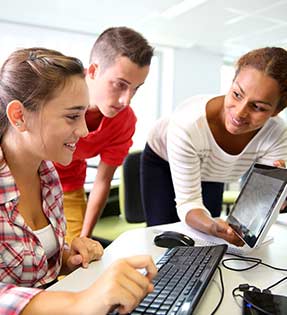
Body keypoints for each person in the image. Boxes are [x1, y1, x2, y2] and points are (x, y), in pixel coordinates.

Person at [0, 47, 157, 315]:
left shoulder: (48, 175)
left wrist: (66, 259)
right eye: (72, 116)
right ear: (19, 116)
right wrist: (80, 302)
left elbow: (32, 265)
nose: (84, 130)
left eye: (84, 114)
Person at [140, 46, 287, 246]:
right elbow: (188, 203)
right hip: (163, 161)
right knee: (167, 237)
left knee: (208, 240)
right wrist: (211, 226)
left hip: (216, 171)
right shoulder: (189, 123)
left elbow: (259, 202)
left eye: (258, 107)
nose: (239, 113)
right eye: (237, 94)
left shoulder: (277, 134)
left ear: (277, 110)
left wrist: (277, 198)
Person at [54, 27, 154, 244]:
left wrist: (84, 238)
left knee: (74, 259)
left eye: (136, 89)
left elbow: (102, 180)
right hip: (22, 181)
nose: (126, 100)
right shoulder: (53, 90)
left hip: (68, 185)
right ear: (92, 71)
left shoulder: (124, 121)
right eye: (120, 85)